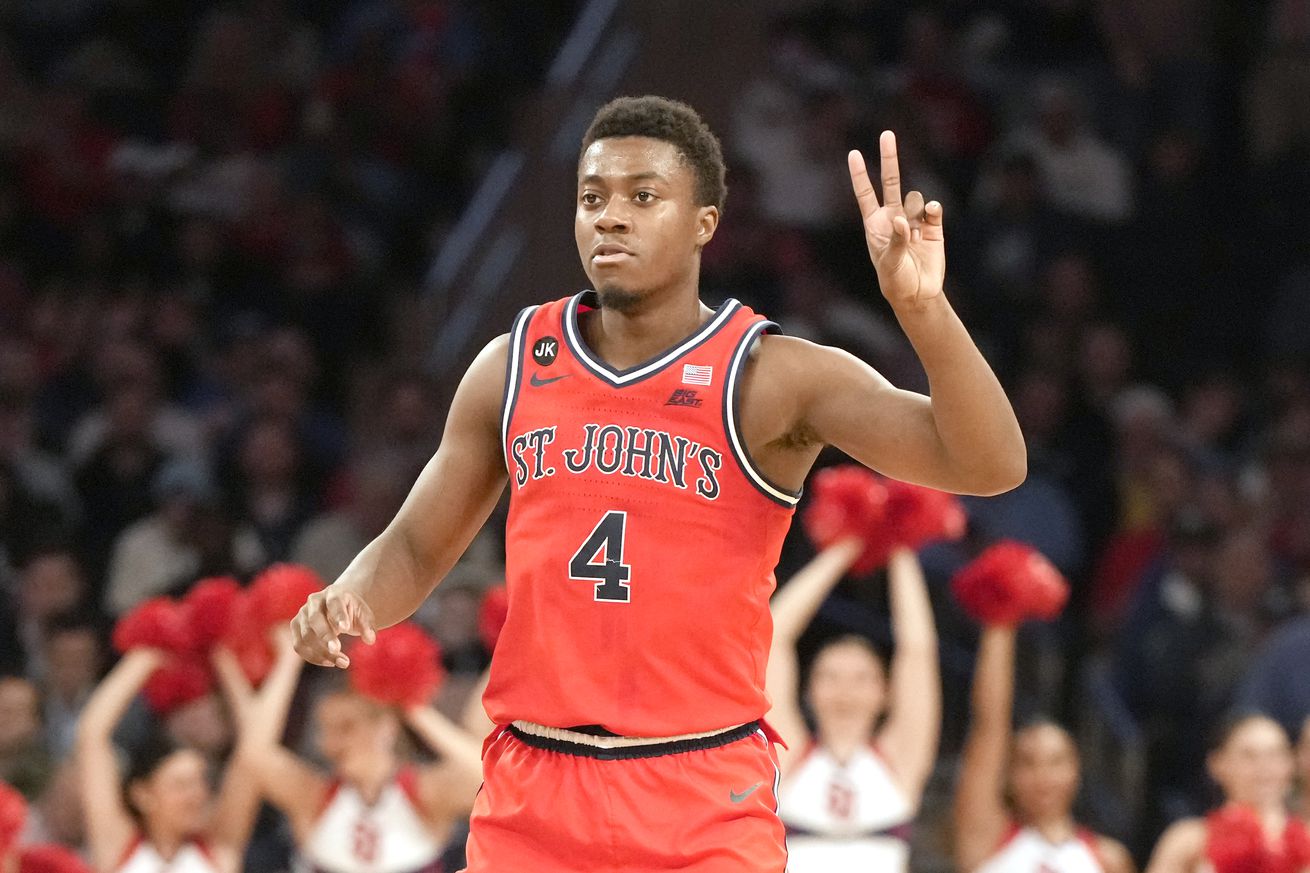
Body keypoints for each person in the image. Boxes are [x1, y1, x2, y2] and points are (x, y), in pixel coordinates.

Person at [291, 95, 1026, 872]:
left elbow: (989, 462)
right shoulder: (511, 364)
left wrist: (924, 310)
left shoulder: (769, 374)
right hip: (532, 789)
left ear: (705, 222)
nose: (611, 216)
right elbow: (412, 546)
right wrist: (351, 596)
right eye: (592, 197)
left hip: (702, 789)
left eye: (643, 196)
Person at [228, 636, 483, 873]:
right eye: (325, 730)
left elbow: (489, 775)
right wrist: (288, 661)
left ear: (386, 727)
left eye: (346, 727)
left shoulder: (425, 792)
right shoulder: (314, 796)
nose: (330, 741)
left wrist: (415, 709)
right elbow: (254, 753)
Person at [767, 541, 940, 872]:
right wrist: (847, 546)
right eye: (830, 676)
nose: (845, 690)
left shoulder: (899, 758)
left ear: (885, 692)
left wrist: (898, 544)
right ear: (808, 690)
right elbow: (773, 638)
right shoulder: (789, 754)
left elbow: (918, 651)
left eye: (862, 678)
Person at [953, 624, 1134, 873]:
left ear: (1076, 770)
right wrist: (1000, 621)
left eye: (1056, 761)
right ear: (1009, 775)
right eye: (1028, 762)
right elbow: (988, 724)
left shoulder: (1108, 858)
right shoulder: (987, 836)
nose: (1043, 777)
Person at [74, 649, 259, 873]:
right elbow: (91, 736)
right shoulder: (119, 846)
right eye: (181, 785)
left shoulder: (219, 848)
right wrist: (145, 657)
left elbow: (254, 746)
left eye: (199, 782)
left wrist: (223, 659)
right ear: (142, 795)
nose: (196, 795)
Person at [1145, 714, 1306, 873]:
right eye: (1249, 756)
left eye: (1275, 754)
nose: (1264, 767)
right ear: (1217, 763)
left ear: (1291, 763)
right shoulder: (1191, 840)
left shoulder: (1307, 837)